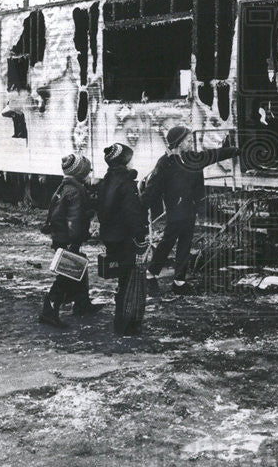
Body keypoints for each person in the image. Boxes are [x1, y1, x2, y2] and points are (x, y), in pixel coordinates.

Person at [141, 125, 239, 294]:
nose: (190, 142)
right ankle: (150, 274)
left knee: (185, 243)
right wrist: (141, 207)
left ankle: (179, 282)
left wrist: (236, 150)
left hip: (189, 207)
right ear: (178, 143)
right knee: (168, 241)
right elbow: (153, 187)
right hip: (175, 209)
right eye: (187, 139)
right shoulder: (165, 162)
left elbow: (214, 155)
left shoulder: (192, 157)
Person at [39, 153, 103, 328]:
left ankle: (82, 304)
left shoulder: (64, 187)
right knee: (67, 274)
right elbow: (73, 219)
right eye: (88, 172)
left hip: (61, 237)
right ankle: (49, 311)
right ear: (80, 173)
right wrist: (75, 240)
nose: (90, 175)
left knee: (79, 268)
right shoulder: (75, 191)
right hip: (68, 238)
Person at [96, 142, 148, 334]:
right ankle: (125, 324)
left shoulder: (106, 181)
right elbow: (132, 214)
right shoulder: (126, 183)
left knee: (122, 280)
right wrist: (141, 236)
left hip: (111, 237)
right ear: (124, 161)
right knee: (129, 280)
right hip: (126, 239)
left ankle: (122, 320)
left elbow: (102, 211)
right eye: (130, 158)